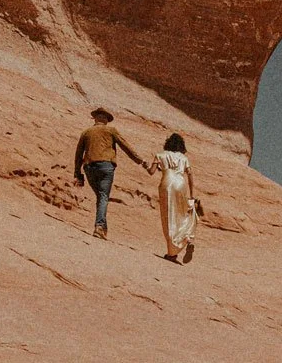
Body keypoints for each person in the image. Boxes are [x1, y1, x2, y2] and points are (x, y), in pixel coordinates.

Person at [73, 107, 149, 239]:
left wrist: (77, 174)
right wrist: (140, 160)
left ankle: (103, 229)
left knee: (101, 197)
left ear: (95, 118)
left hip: (89, 167)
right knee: (103, 196)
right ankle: (100, 226)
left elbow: (79, 154)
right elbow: (125, 146)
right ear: (106, 120)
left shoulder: (86, 132)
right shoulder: (111, 130)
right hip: (106, 166)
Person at [156, 132, 198, 263]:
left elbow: (152, 171)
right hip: (180, 184)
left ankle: (171, 254)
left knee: (168, 217)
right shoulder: (183, 158)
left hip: (166, 183)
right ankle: (188, 238)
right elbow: (190, 175)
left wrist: (147, 165)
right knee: (183, 213)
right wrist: (192, 194)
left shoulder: (160, 155)